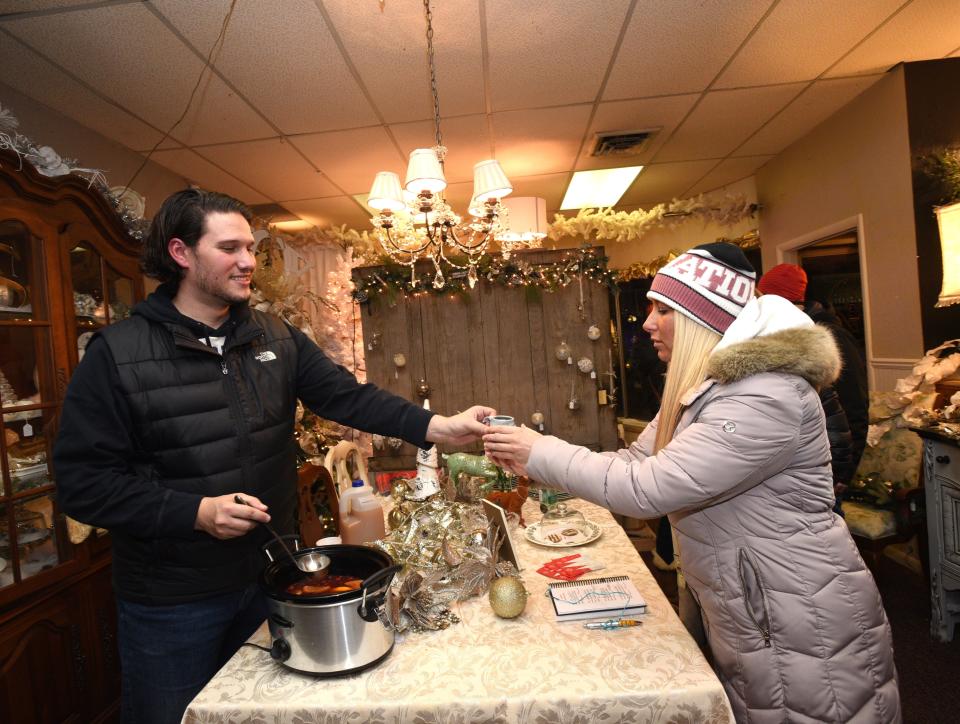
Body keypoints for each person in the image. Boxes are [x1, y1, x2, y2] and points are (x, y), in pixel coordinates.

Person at [53, 188, 494, 724]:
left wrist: (437, 426)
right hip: (172, 603)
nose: (247, 262)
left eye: (251, 249)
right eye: (230, 248)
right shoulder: (117, 354)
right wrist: (196, 513)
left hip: (275, 579)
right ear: (180, 253)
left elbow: (346, 396)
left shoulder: (276, 336)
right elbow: (83, 484)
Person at [485, 243, 900, 722]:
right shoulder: (702, 389)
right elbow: (630, 460)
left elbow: (644, 488)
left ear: (702, 319)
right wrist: (537, 469)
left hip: (796, 613)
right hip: (749, 599)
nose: (647, 322)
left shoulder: (764, 394)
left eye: (664, 309)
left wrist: (538, 450)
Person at [758, 263, 866, 510]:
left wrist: (843, 474)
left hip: (825, 472)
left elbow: (855, 408)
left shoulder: (831, 338)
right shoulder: (782, 335)